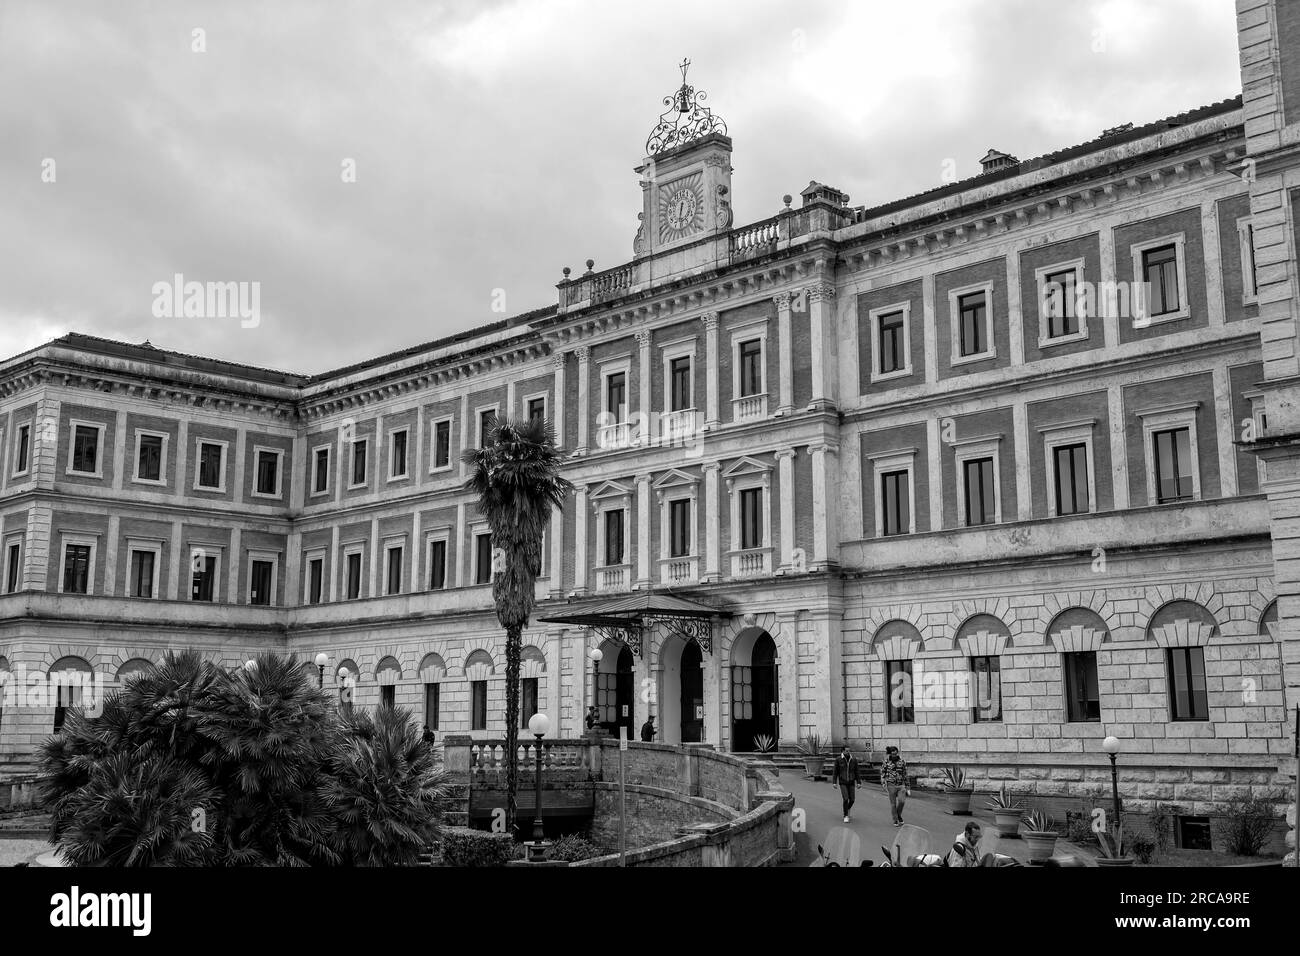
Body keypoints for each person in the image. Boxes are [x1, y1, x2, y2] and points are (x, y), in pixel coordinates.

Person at [880, 745, 910, 826]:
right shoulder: (886, 762)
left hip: (901, 785)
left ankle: (898, 814)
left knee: (902, 801)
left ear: (897, 753)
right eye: (893, 754)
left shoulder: (902, 761)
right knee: (893, 804)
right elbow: (883, 773)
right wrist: (883, 783)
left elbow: (905, 774)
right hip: (891, 785)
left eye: (896, 754)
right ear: (890, 753)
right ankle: (895, 819)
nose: (894, 755)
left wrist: (908, 787)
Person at [830, 743, 859, 823]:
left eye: (849, 751)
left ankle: (848, 808)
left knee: (852, 799)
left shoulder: (853, 759)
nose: (848, 752)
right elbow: (835, 772)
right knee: (846, 798)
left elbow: (857, 771)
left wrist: (858, 782)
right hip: (843, 782)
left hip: (851, 781)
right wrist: (834, 782)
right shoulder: (839, 759)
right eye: (846, 751)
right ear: (843, 751)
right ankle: (845, 815)